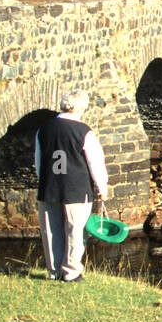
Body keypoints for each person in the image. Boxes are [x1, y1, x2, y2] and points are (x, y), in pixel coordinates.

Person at [34, 90, 108, 283]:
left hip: (49, 187)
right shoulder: (84, 132)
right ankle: (71, 271)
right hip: (76, 189)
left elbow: (38, 160)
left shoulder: (43, 129)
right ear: (79, 108)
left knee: (51, 231)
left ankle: (54, 271)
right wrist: (102, 187)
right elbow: (95, 162)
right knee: (75, 230)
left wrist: (44, 180)